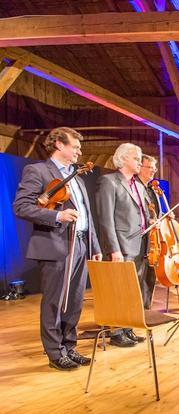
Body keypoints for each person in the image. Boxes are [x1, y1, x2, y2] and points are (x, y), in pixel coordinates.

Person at [13, 127, 103, 370]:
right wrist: (57, 215)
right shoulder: (38, 171)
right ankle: (55, 353)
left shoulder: (77, 177)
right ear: (59, 145)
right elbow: (21, 207)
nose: (79, 151)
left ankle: (69, 347)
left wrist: (93, 244)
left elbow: (87, 214)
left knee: (74, 300)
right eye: (75, 146)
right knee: (55, 301)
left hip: (80, 243)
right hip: (55, 244)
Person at [96, 143, 152, 347]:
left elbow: (141, 214)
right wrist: (114, 248)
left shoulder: (137, 185)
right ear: (124, 159)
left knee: (133, 290)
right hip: (121, 246)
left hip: (140, 244)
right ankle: (116, 332)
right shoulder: (109, 182)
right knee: (119, 289)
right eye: (136, 158)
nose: (140, 162)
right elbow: (105, 219)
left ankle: (128, 327)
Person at [137, 155, 159, 309]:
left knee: (150, 277)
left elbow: (155, 212)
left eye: (154, 168)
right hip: (138, 240)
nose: (153, 171)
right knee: (138, 277)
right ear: (140, 167)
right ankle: (136, 311)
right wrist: (147, 221)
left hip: (152, 242)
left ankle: (146, 308)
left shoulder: (151, 190)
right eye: (150, 167)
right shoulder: (135, 187)